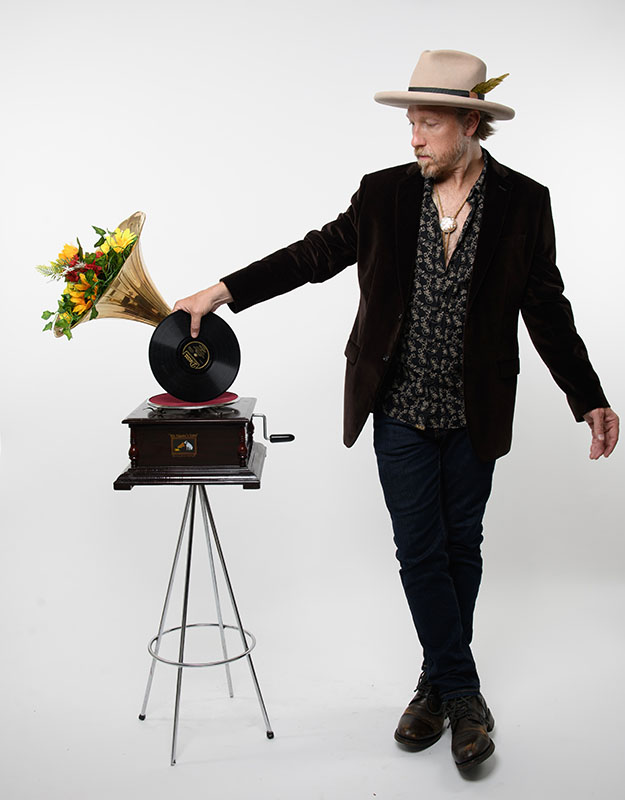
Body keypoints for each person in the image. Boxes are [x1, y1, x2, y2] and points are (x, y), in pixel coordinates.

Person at [173, 49, 619, 771]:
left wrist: (588, 396)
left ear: (470, 124)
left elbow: (547, 310)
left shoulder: (524, 202)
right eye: (410, 123)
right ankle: (464, 694)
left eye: (428, 124)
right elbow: (312, 255)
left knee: (461, 545)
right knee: (419, 550)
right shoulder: (383, 194)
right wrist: (219, 292)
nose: (414, 139)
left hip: (476, 411)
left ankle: (433, 685)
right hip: (399, 409)